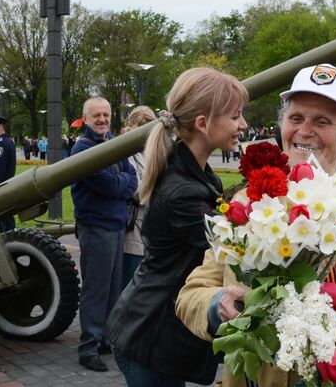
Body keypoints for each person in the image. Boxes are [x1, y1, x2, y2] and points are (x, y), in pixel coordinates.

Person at [175, 64, 336, 387]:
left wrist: (295, 325)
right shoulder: (247, 202)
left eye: (322, 121)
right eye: (296, 118)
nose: (304, 131)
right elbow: (191, 295)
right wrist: (218, 306)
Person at [106, 68, 249, 386]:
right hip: (150, 337)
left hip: (154, 332)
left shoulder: (194, 172)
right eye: (235, 116)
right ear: (203, 124)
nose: (243, 125)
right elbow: (235, 247)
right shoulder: (182, 192)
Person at [72, 96, 138, 373]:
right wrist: (122, 184)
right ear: (85, 119)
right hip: (96, 226)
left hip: (114, 225)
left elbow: (131, 177)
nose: (102, 120)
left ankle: (104, 340)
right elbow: (109, 185)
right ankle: (87, 347)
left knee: (113, 289)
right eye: (96, 115)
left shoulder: (112, 144)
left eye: (106, 115)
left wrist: (120, 184)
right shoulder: (82, 149)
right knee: (96, 290)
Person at [121, 106, 157, 289]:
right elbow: (136, 190)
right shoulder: (126, 150)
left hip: (149, 227)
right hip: (134, 227)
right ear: (131, 126)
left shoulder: (150, 150)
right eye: (141, 127)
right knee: (130, 283)